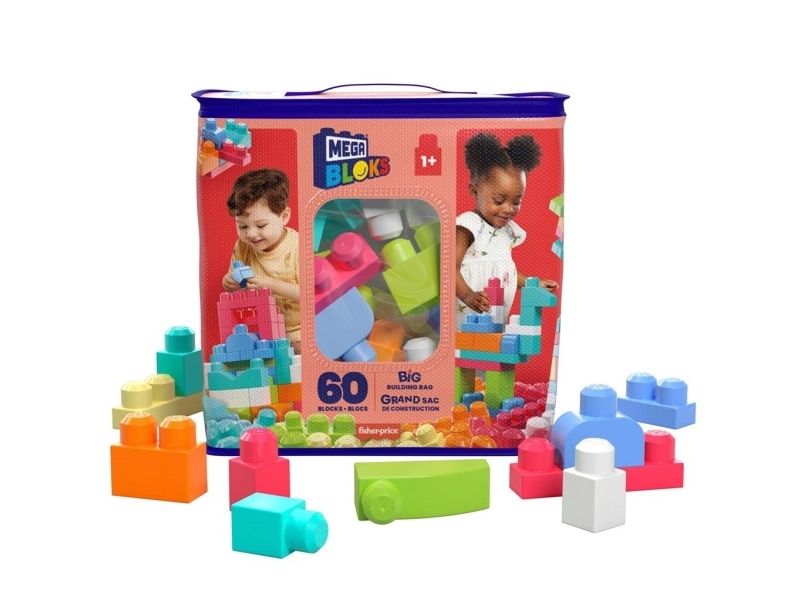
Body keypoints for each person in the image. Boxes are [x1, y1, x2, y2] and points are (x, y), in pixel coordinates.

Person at [456, 133, 558, 319]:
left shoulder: (508, 231)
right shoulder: (468, 225)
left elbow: (505, 270)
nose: (508, 209)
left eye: (516, 201)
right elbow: (448, 267)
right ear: (474, 190)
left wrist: (531, 283)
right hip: (466, 315)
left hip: (496, 317)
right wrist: (468, 295)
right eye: (498, 200)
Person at [222, 169, 301, 353]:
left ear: (284, 217)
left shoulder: (298, 246)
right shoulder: (243, 246)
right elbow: (233, 284)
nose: (251, 234)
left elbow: (312, 296)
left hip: (299, 331)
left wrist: (270, 284)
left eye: (261, 225)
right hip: (261, 333)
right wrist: (229, 282)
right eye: (242, 226)